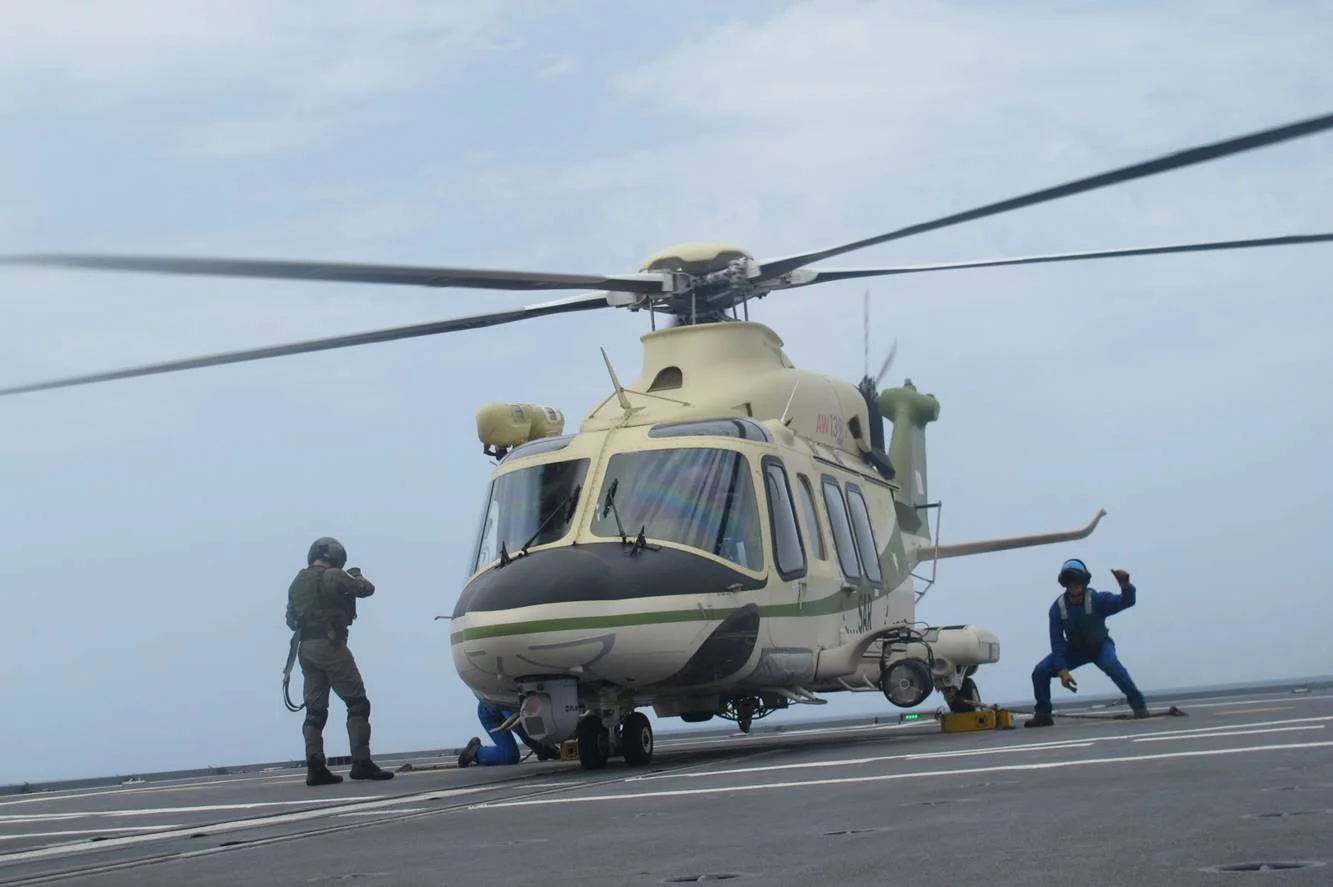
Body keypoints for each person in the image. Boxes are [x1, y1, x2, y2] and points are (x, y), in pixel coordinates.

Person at [286, 536, 394, 785]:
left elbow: (291, 620)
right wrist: (356, 575)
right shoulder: (334, 575)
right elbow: (366, 589)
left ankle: (315, 767)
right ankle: (361, 763)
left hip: (305, 649)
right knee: (357, 703)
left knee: (315, 711)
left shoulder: (298, 581)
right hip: (330, 646)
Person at [1026, 558, 1149, 728]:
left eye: (1077, 582)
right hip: (1074, 650)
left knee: (1112, 665)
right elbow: (1057, 642)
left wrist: (1125, 584)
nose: (1073, 586)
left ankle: (1139, 706)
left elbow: (1126, 601)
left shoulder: (1098, 599)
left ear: (1084, 582)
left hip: (1100, 646)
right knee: (1040, 671)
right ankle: (1043, 714)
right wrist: (1062, 670)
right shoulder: (1057, 609)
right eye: (1069, 582)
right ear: (1064, 584)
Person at [457, 698, 560, 767]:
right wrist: (543, 747)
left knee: (529, 728)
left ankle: (544, 749)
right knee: (509, 757)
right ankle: (475, 752)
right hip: (491, 712)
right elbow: (519, 726)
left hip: (504, 706)